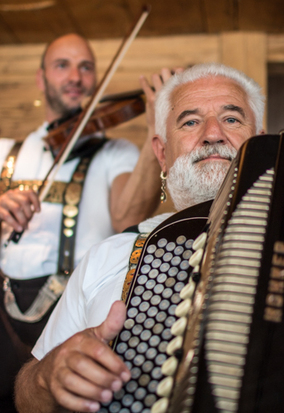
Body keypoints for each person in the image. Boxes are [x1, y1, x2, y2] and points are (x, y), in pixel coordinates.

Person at [14, 62, 265, 413]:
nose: (212, 134)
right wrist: (45, 377)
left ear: (261, 142)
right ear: (162, 154)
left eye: (232, 119)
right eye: (191, 121)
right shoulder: (108, 254)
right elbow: (27, 399)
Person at [0, 33, 177, 413]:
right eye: (62, 65)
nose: (75, 77)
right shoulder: (4, 152)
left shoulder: (117, 152)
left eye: (86, 67)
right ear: (40, 78)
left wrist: (153, 129)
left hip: (72, 311)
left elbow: (129, 218)